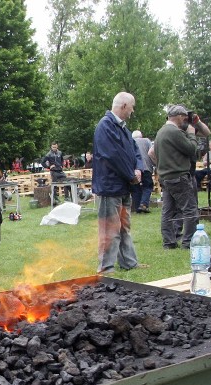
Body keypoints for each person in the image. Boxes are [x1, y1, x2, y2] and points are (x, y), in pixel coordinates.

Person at [92, 92, 146, 274]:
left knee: (124, 227)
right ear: (124, 106)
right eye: (132, 106)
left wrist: (138, 169)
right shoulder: (105, 126)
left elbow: (135, 152)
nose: (133, 110)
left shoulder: (123, 128)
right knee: (110, 229)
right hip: (110, 187)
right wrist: (131, 175)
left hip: (123, 185)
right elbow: (112, 157)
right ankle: (106, 267)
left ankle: (129, 263)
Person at [154, 104, 202, 249]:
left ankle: (169, 242)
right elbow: (191, 149)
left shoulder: (161, 131)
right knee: (190, 209)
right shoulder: (173, 132)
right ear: (179, 116)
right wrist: (192, 134)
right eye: (184, 117)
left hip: (165, 177)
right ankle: (188, 242)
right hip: (178, 176)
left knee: (167, 211)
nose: (185, 121)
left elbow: (152, 154)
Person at [131, 131, 154, 213]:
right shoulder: (147, 141)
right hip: (146, 167)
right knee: (147, 186)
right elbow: (152, 152)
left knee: (136, 188)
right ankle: (143, 204)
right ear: (141, 136)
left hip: (134, 169)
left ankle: (137, 207)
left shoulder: (130, 141)